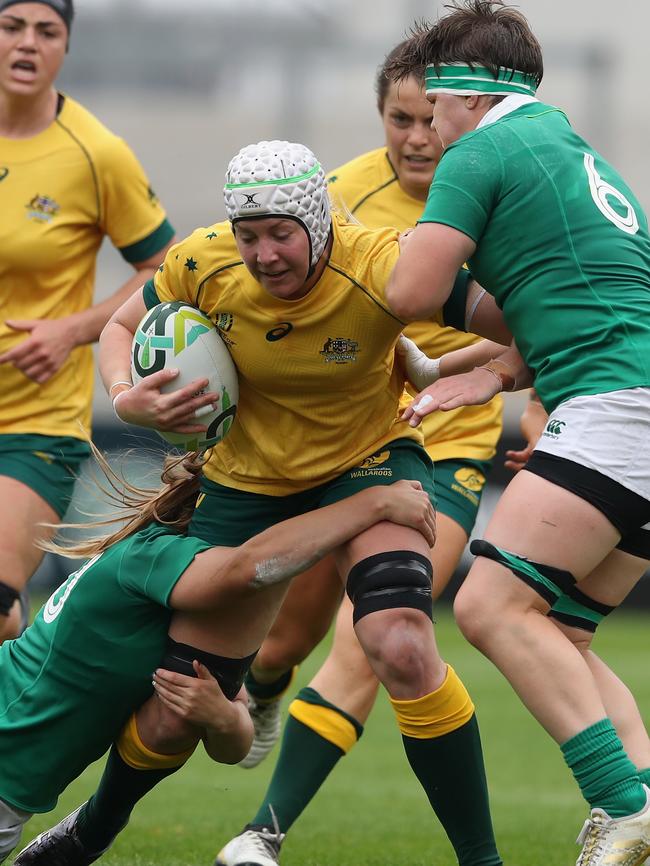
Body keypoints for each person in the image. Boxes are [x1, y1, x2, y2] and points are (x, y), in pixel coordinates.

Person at [62, 138, 512, 866]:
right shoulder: (202, 261)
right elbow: (120, 327)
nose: (264, 254)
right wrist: (127, 395)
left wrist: (505, 372)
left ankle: (481, 862)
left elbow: (517, 316)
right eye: (250, 237)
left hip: (368, 465)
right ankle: (88, 832)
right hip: (244, 481)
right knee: (180, 704)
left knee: (398, 640)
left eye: (280, 234)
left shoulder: (379, 263)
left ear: (319, 223)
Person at [216, 43, 504, 866]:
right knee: (282, 642)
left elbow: (539, 311)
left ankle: (260, 836)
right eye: (399, 119)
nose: (418, 138)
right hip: (337, 451)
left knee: (384, 636)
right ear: (380, 117)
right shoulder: (331, 196)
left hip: (444, 454)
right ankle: (266, 688)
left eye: (430, 120)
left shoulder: (494, 192)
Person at [382, 3, 650, 863]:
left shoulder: (483, 150)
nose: (428, 126)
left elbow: (407, 293)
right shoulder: (568, 149)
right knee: (559, 634)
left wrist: (339, 256)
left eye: (432, 105)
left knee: (489, 604)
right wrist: (489, 370)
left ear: (465, 94)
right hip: (629, 404)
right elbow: (562, 305)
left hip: (618, 408)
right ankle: (646, 801)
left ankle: (627, 805)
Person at [2, 443, 434, 866]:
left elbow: (236, 746)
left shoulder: (174, 586)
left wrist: (222, 717)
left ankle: (87, 833)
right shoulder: (153, 558)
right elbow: (250, 566)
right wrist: (373, 504)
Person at [0, 0, 175, 642]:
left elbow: (166, 268)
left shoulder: (96, 153)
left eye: (46, 31)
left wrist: (72, 329)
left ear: (65, 47)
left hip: (33, 422)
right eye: (11, 26)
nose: (27, 43)